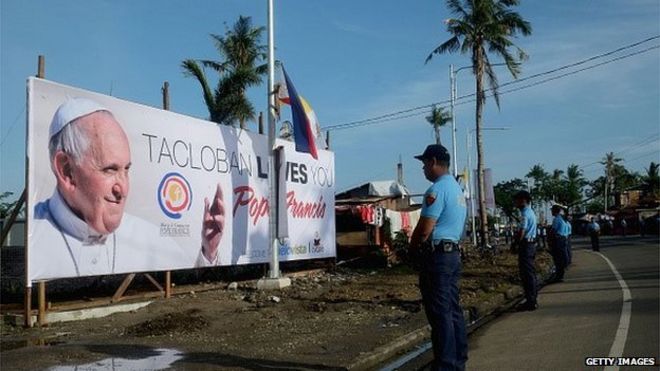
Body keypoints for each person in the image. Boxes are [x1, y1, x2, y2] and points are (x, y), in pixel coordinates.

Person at [32, 98, 225, 280]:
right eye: (110, 170)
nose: (123, 189)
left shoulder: (150, 238)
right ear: (67, 171)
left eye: (126, 169)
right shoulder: (32, 236)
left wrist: (208, 252)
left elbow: (189, 282)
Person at [409, 144, 468, 371]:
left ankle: (445, 365)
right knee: (453, 310)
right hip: (452, 254)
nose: (423, 169)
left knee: (440, 314)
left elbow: (424, 229)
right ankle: (458, 359)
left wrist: (412, 249)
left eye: (424, 163)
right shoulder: (456, 189)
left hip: (437, 258)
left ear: (433, 162)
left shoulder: (436, 191)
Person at [512, 190, 538, 311]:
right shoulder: (530, 212)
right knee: (530, 273)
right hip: (531, 244)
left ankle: (531, 301)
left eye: (516, 200)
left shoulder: (525, 214)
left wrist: (515, 243)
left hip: (526, 245)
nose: (515, 202)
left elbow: (522, 231)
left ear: (523, 200)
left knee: (527, 274)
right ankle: (532, 299)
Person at [549, 205, 569, 282]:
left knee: (557, 258)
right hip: (563, 239)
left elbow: (553, 231)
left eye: (552, 210)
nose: (551, 212)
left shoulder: (556, 219)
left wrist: (550, 240)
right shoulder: (562, 219)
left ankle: (559, 276)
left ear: (554, 211)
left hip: (558, 239)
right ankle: (560, 274)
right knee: (561, 256)